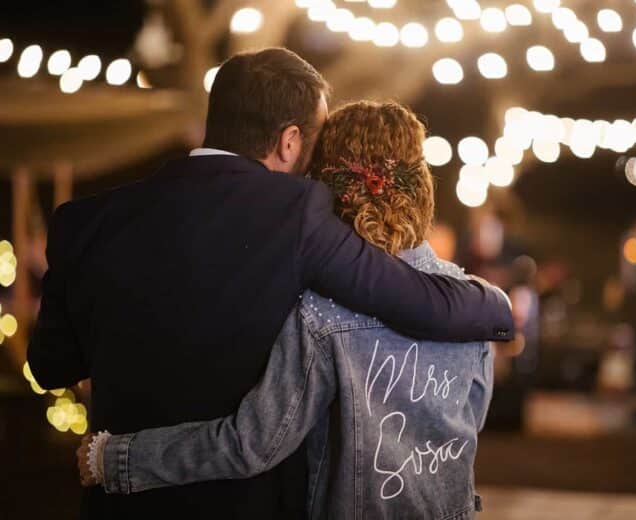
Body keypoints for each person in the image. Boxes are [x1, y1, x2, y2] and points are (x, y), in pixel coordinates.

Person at [28, 49, 513, 519]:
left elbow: (50, 365)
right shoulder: (297, 214)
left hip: (119, 502)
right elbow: (410, 297)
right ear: (289, 141)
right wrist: (494, 306)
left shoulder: (81, 222)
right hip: (244, 505)